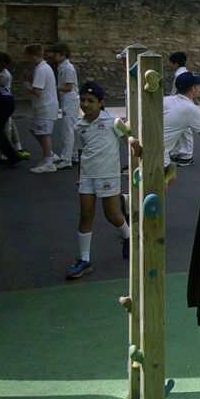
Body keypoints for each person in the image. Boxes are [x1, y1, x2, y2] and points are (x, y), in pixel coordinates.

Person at [65, 82, 133, 280]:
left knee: (112, 214)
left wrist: (136, 153)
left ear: (101, 103)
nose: (85, 104)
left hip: (108, 175)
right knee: (86, 214)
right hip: (87, 176)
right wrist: (79, 176)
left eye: (91, 101)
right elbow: (80, 151)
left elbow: (128, 140)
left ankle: (129, 237)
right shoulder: (79, 125)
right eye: (83, 100)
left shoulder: (113, 121)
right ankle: (84, 259)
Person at [163, 71, 200, 184]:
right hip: (160, 151)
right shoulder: (191, 109)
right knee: (163, 182)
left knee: (171, 176)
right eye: (198, 85)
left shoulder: (167, 100)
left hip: (148, 142)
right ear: (192, 89)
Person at [24, 43, 60, 173]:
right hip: (45, 106)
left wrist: (28, 87)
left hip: (44, 107)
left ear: (32, 56)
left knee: (44, 134)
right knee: (36, 130)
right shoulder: (45, 67)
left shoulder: (40, 70)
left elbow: (37, 90)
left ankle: (49, 162)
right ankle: (49, 155)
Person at [51, 42, 79, 169]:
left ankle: (66, 159)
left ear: (63, 54)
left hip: (70, 100)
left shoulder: (68, 68)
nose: (54, 57)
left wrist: (53, 87)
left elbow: (68, 87)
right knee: (70, 129)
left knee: (67, 131)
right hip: (66, 100)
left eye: (56, 55)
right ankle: (73, 155)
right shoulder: (62, 67)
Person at [168, 51, 194, 166]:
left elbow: (176, 90)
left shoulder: (180, 74)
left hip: (181, 104)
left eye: (171, 63)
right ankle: (180, 152)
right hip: (181, 103)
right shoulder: (183, 72)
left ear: (176, 63)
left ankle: (187, 155)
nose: (170, 65)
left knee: (185, 130)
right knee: (179, 129)